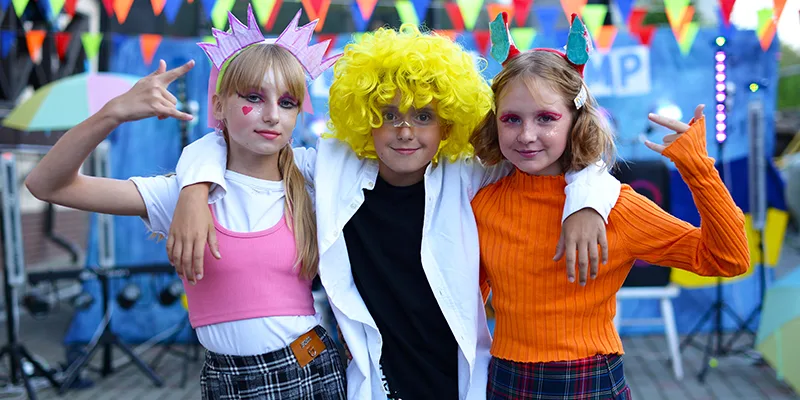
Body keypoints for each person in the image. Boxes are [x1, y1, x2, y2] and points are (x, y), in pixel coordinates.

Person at [167, 21, 622, 400]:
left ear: (448, 122)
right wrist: (194, 184)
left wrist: (585, 202)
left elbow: (566, 161)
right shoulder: (329, 171)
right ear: (364, 118)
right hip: (376, 379)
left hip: (458, 375)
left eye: (423, 116)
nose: (405, 130)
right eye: (388, 114)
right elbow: (243, 149)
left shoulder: (468, 176)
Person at [24, 7, 347, 399]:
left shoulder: (311, 178)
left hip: (308, 369)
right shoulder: (182, 191)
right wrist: (112, 113)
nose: (271, 115)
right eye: (253, 97)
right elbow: (48, 185)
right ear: (218, 105)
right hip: (225, 380)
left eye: (288, 103)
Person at [470, 13, 750, 399]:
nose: (527, 134)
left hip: (591, 381)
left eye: (546, 118)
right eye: (511, 119)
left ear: (576, 120)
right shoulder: (485, 203)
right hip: (506, 379)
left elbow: (728, 259)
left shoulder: (616, 207)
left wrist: (699, 170)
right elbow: (463, 300)